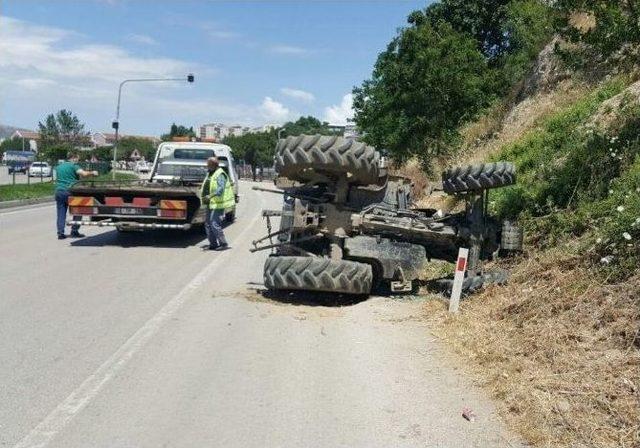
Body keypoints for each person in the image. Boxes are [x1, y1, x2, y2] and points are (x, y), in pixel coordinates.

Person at [55, 152, 98, 239]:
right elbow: (83, 174)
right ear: (73, 158)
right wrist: (93, 173)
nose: (78, 160)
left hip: (59, 191)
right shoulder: (74, 165)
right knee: (78, 210)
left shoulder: (59, 167)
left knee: (61, 213)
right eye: (77, 158)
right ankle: (74, 230)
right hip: (70, 192)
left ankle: (60, 233)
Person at [201, 157, 233, 250]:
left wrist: (210, 195)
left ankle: (223, 244)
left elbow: (220, 189)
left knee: (214, 223)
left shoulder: (220, 174)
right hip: (210, 203)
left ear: (213, 165)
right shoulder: (210, 173)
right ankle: (213, 244)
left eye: (208, 165)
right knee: (207, 224)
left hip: (217, 204)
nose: (207, 166)